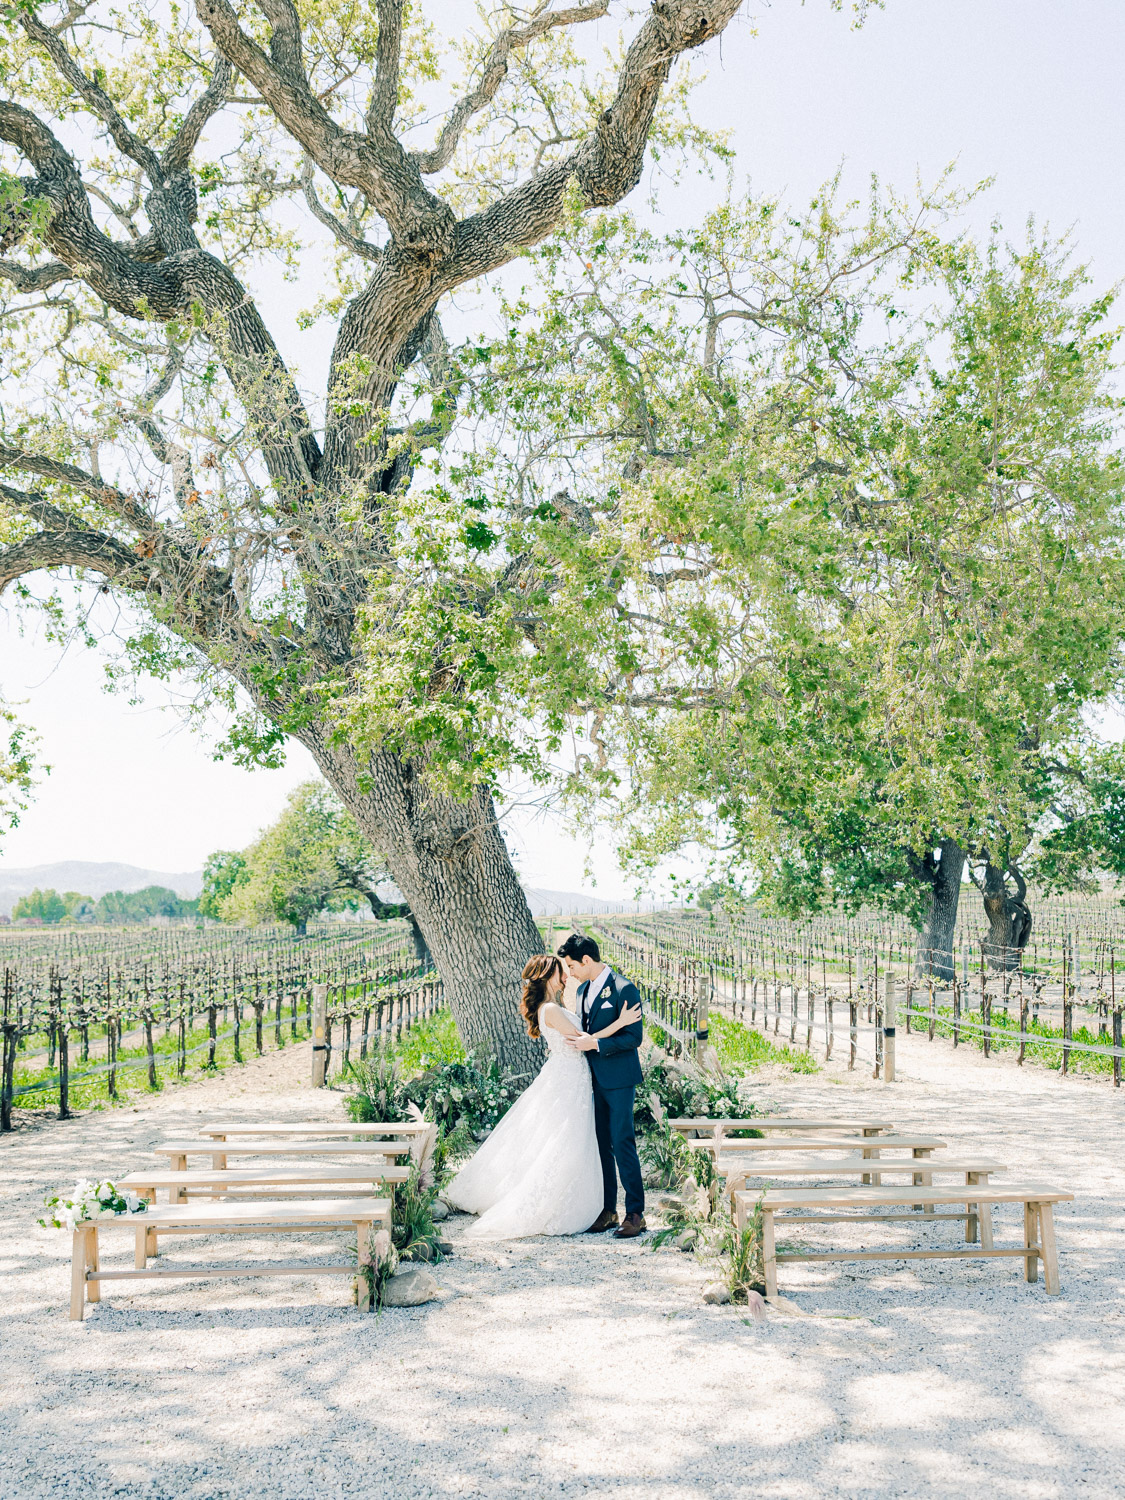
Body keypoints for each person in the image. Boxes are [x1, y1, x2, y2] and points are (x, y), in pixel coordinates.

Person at [445, 954, 641, 1240]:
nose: (566, 977)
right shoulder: (550, 1009)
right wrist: (620, 1022)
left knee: (575, 1140)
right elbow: (581, 1039)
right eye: (562, 972)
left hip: (575, 1077)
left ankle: (604, 1206)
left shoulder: (556, 1006)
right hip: (569, 1078)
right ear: (548, 976)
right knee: (564, 1141)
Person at [556, 933, 647, 1239]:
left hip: (619, 1080)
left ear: (586, 960)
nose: (570, 974)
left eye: (572, 966)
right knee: (600, 1147)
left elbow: (634, 1038)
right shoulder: (581, 991)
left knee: (622, 1143)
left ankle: (636, 1213)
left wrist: (595, 1043)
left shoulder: (624, 988)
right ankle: (608, 1210)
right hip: (590, 1081)